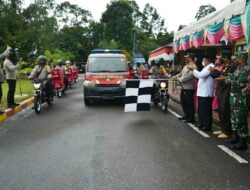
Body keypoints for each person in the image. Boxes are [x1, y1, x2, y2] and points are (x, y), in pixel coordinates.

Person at [220, 52, 249, 150]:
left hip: (241, 99)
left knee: (241, 120)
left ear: (242, 59)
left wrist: (230, 80)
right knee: (234, 119)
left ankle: (242, 141)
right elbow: (229, 79)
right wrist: (227, 78)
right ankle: (236, 137)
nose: (235, 60)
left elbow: (241, 83)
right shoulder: (237, 69)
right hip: (234, 98)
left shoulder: (247, 70)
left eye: (237, 58)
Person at [209, 50, 237, 139]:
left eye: (221, 57)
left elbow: (227, 78)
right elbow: (219, 76)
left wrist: (219, 75)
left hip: (226, 91)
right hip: (221, 91)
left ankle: (227, 131)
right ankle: (223, 129)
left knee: (225, 111)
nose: (220, 58)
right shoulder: (225, 65)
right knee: (221, 111)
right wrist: (213, 72)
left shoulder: (233, 66)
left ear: (226, 57)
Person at [189, 55, 215, 131]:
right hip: (202, 92)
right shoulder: (205, 67)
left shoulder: (211, 67)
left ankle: (207, 126)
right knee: (201, 110)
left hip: (206, 93)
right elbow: (198, 76)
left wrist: (193, 70)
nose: (203, 62)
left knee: (205, 111)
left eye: (204, 60)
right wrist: (194, 71)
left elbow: (201, 75)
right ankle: (202, 123)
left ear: (208, 60)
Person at [173, 52, 197, 123]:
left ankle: (191, 118)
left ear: (190, 58)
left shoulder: (193, 66)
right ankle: (186, 115)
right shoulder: (186, 65)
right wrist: (176, 76)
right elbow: (181, 73)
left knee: (189, 103)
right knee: (183, 102)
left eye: (187, 57)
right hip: (183, 87)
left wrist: (180, 79)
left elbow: (190, 76)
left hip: (189, 87)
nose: (186, 58)